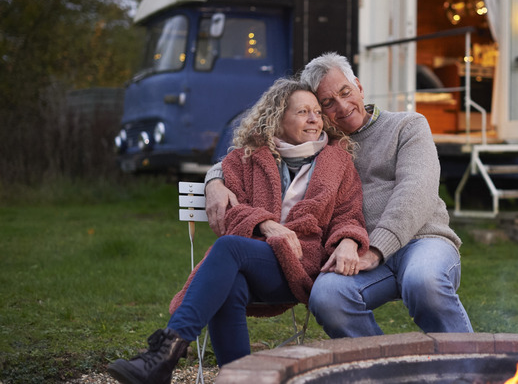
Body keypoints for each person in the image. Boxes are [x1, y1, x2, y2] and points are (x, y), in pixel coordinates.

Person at [107, 77, 369, 384]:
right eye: (302, 112)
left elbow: (349, 215)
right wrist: (266, 224)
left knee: (228, 247)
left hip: (303, 263)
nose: (314, 119)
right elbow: (229, 211)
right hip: (254, 263)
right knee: (228, 286)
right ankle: (236, 378)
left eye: (316, 112)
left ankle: (163, 356)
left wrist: (348, 241)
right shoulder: (248, 158)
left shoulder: (338, 162)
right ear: (277, 118)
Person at [205, 52, 473, 338]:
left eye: (345, 92)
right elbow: (249, 154)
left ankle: (473, 364)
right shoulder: (320, 143)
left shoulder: (407, 126)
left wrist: (376, 250)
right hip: (355, 252)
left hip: (421, 242)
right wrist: (214, 180)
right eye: (327, 103)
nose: (342, 106)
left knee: (423, 282)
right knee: (328, 297)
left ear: (359, 86)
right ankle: (382, 362)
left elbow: (415, 191)